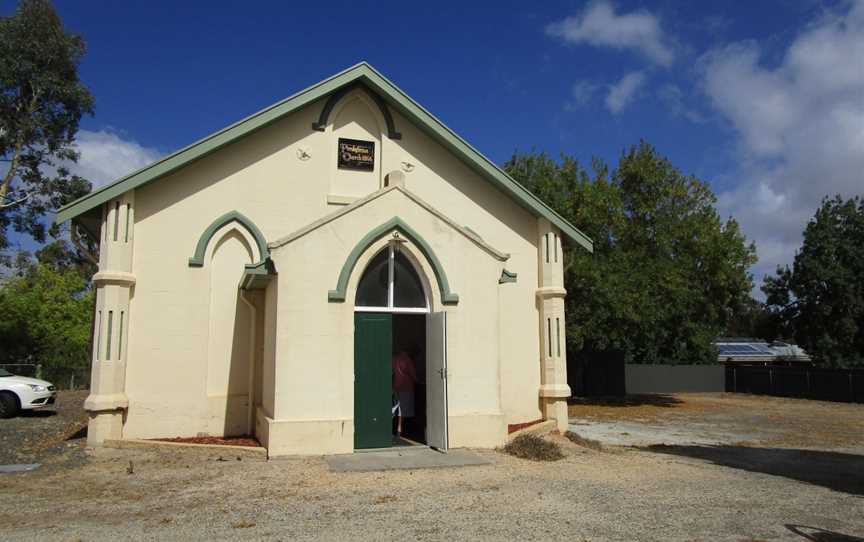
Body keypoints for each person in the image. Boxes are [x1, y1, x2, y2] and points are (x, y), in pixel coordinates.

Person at [392, 350, 418, 438]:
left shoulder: (395, 359)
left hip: (396, 386)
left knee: (395, 407)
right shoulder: (408, 360)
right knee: (402, 410)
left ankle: (392, 427)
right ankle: (399, 429)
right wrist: (416, 380)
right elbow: (413, 374)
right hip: (406, 387)